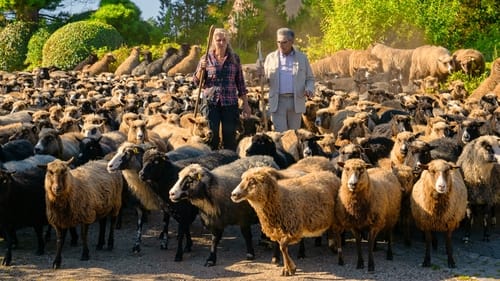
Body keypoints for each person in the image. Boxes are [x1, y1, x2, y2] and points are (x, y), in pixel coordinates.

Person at [194, 28, 251, 150]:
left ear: (227, 41)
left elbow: (240, 83)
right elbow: (197, 82)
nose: (221, 42)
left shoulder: (234, 59)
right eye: (218, 40)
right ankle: (211, 162)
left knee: (230, 136)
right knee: (211, 135)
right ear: (213, 41)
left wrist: (245, 104)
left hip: (230, 102)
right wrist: (200, 70)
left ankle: (229, 160)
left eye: (224, 40)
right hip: (210, 103)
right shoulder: (206, 58)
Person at [263, 27, 315, 132]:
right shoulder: (270, 58)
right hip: (278, 102)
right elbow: (265, 81)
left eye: (284, 42)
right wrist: (260, 76)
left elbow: (310, 78)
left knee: (294, 134)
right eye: (278, 42)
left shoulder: (302, 58)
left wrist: (309, 89)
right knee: (280, 134)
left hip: (295, 101)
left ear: (291, 42)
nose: (280, 45)